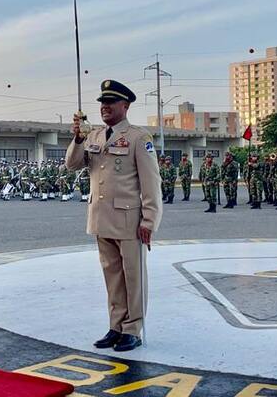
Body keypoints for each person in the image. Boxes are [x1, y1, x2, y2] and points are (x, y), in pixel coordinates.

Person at [66, 79, 162, 352]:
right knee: (113, 277)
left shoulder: (138, 137)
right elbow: (72, 165)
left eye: (110, 102)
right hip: (101, 218)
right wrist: (77, 138)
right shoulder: (93, 136)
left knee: (134, 277)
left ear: (125, 105)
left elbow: (151, 183)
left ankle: (133, 329)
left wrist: (149, 220)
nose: (104, 107)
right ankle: (116, 326)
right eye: (102, 103)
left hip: (129, 220)